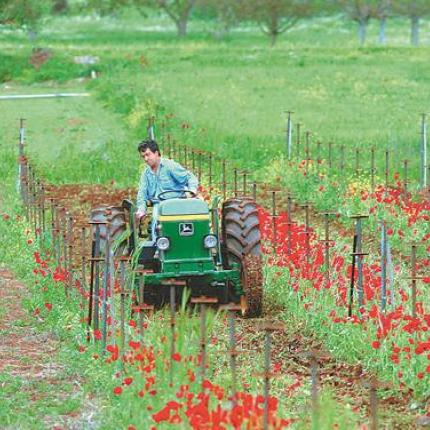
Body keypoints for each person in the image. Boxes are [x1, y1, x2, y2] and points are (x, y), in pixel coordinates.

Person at [136, 139, 199, 238]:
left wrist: (191, 191)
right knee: (155, 224)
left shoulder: (169, 166)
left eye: (148, 155)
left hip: (176, 202)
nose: (146, 159)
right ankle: (158, 245)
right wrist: (141, 209)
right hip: (159, 205)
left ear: (156, 153)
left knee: (185, 225)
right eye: (143, 156)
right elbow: (142, 193)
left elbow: (190, 177)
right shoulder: (146, 174)